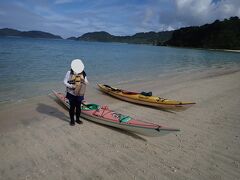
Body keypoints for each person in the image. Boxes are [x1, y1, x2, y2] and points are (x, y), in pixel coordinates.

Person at [64, 59, 88, 126]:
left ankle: (77, 119)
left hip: (80, 93)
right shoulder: (69, 72)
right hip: (71, 93)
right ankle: (72, 120)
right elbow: (65, 81)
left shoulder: (83, 73)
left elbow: (87, 82)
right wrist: (71, 86)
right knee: (72, 107)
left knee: (78, 107)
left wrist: (83, 79)